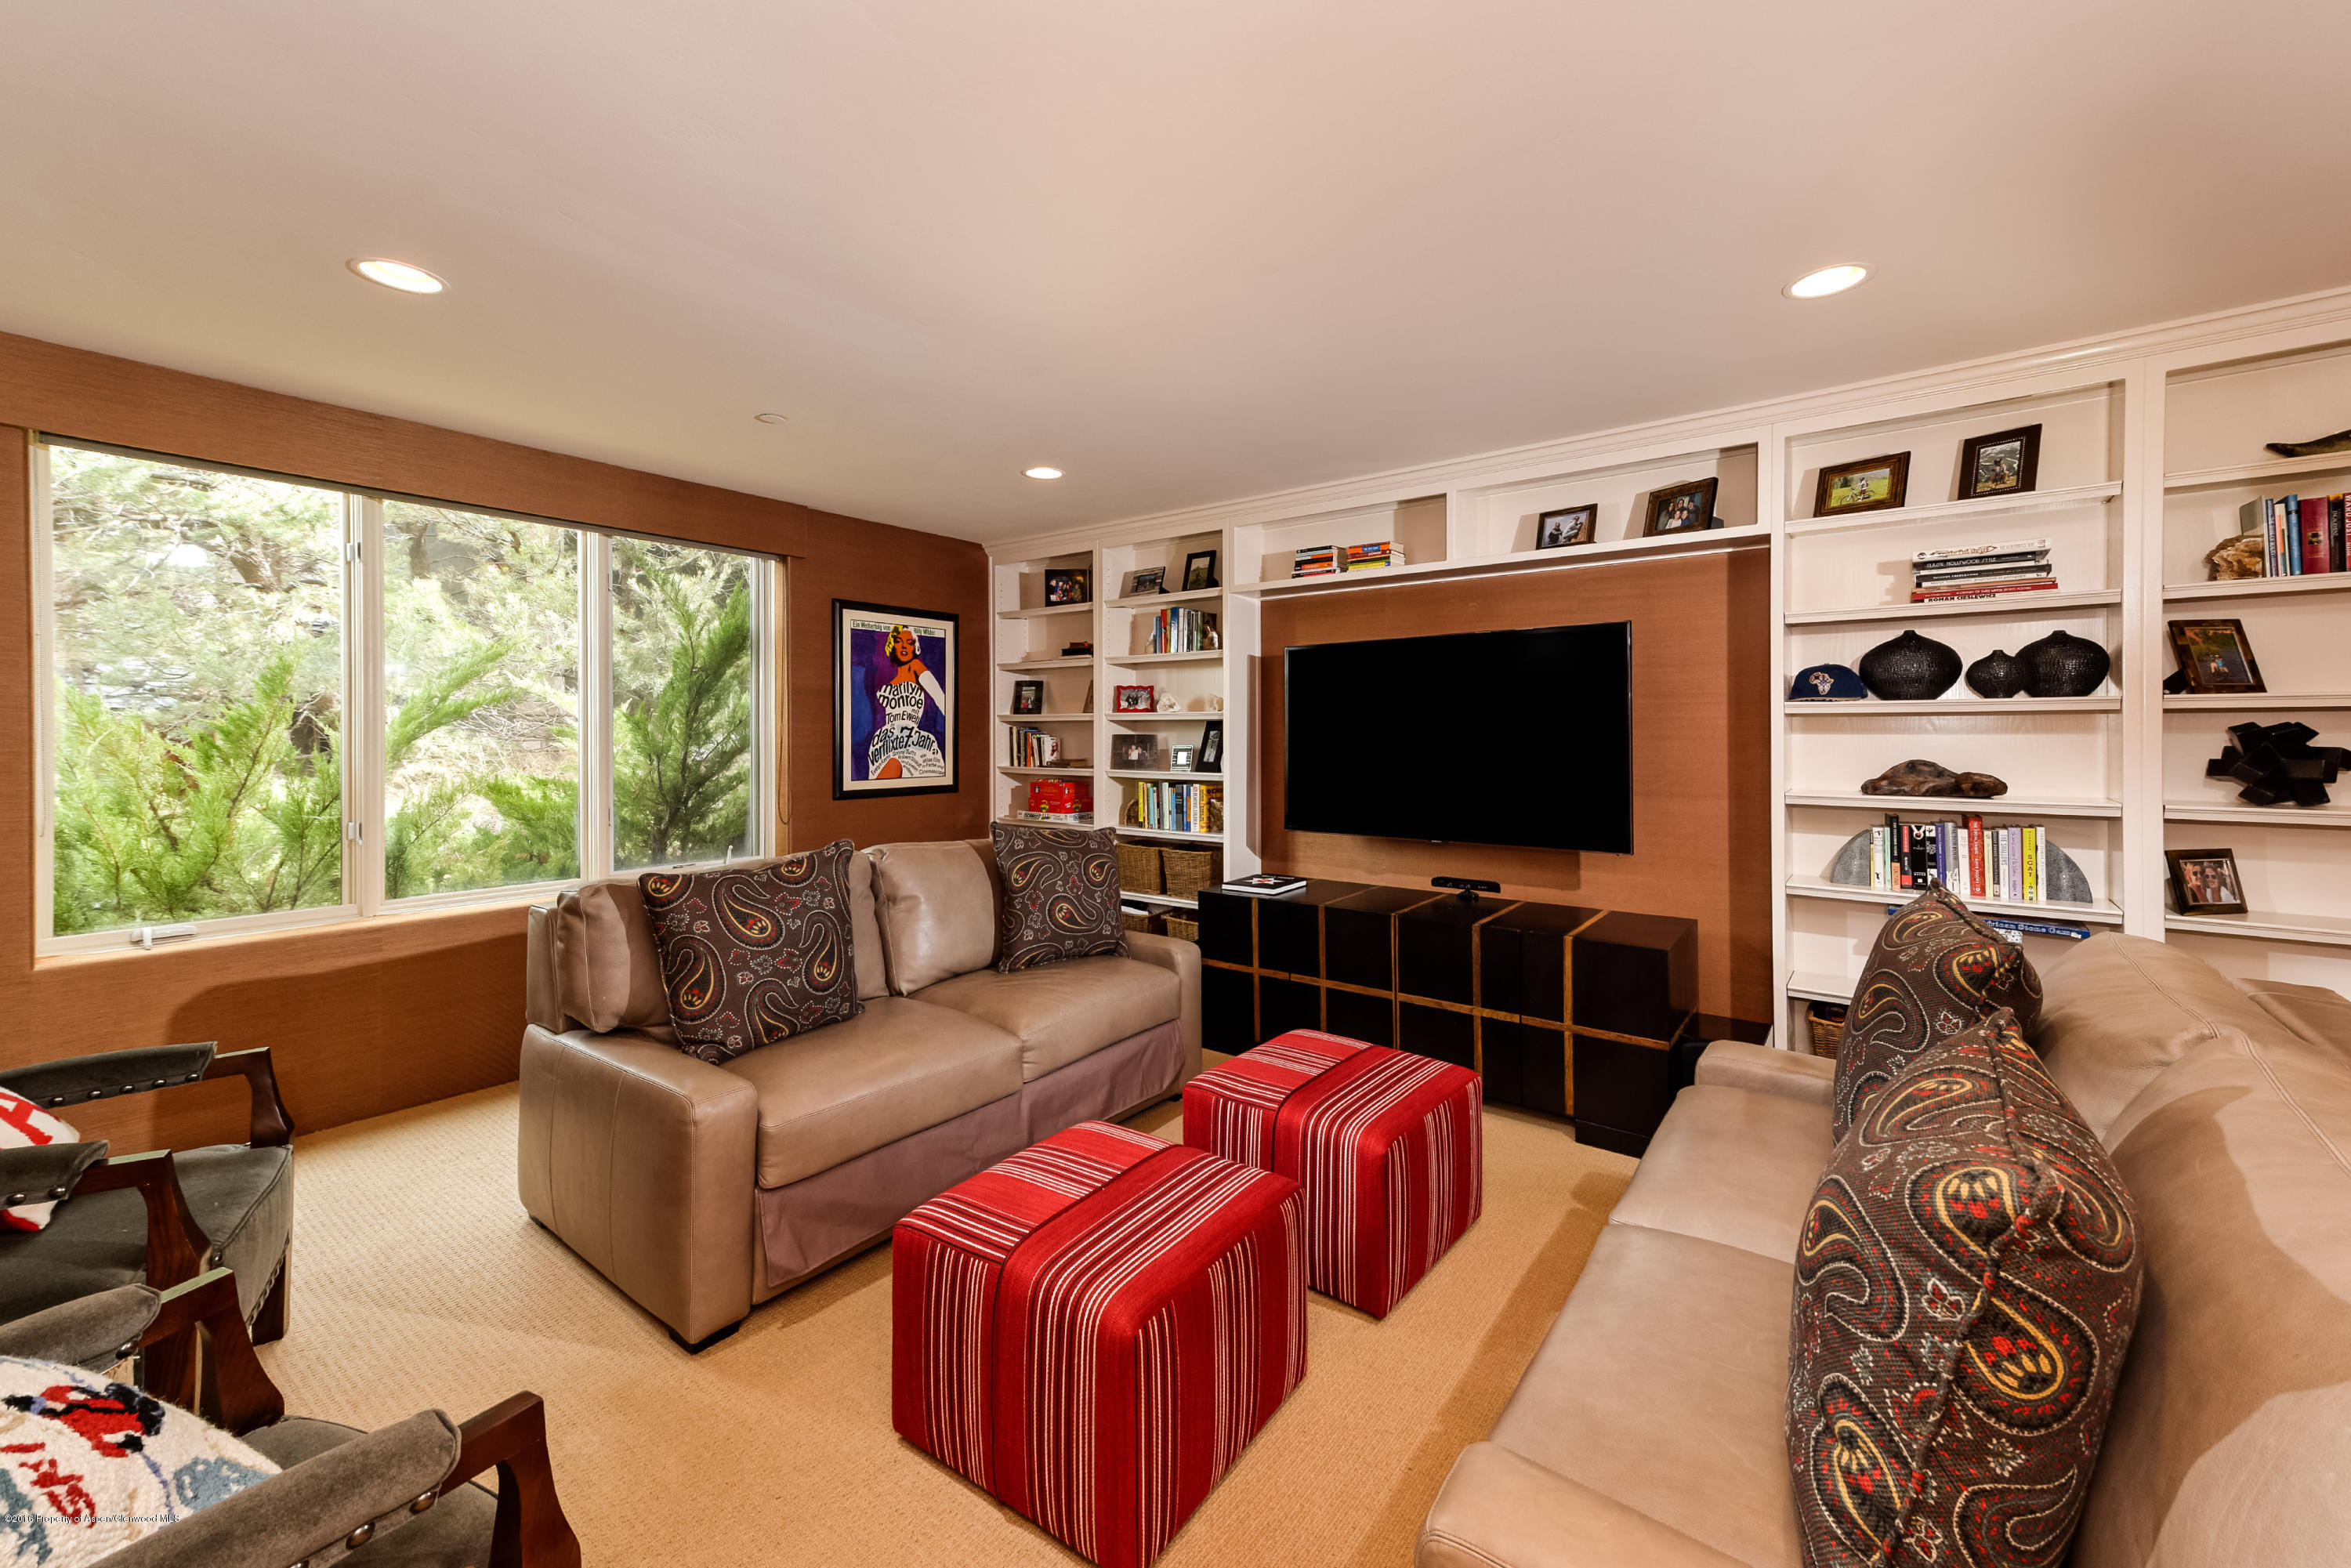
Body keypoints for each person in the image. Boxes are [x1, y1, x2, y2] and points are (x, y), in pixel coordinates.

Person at [866, 624, 948, 780]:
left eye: (909, 643)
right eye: (899, 642)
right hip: (885, 742)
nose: (904, 646)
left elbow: (940, 698)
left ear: (914, 648)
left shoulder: (916, 667)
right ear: (893, 645)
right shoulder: (889, 684)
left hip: (912, 742)